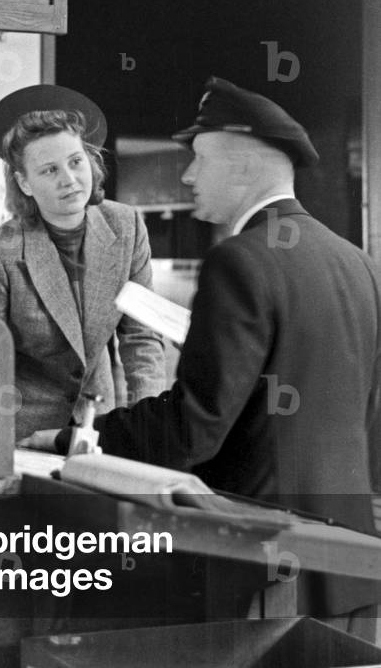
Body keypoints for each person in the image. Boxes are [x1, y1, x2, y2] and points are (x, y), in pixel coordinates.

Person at [23, 77, 381, 633]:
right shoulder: (360, 265)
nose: (188, 175)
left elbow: (193, 429)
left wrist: (82, 441)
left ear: (242, 164)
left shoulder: (239, 262)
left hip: (263, 563)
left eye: (199, 159)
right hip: (352, 562)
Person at [0, 84, 167, 440]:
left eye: (76, 162)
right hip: (23, 428)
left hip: (98, 421)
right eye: (49, 170)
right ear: (24, 183)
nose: (69, 180)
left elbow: (141, 336)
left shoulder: (128, 226)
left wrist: (146, 425)